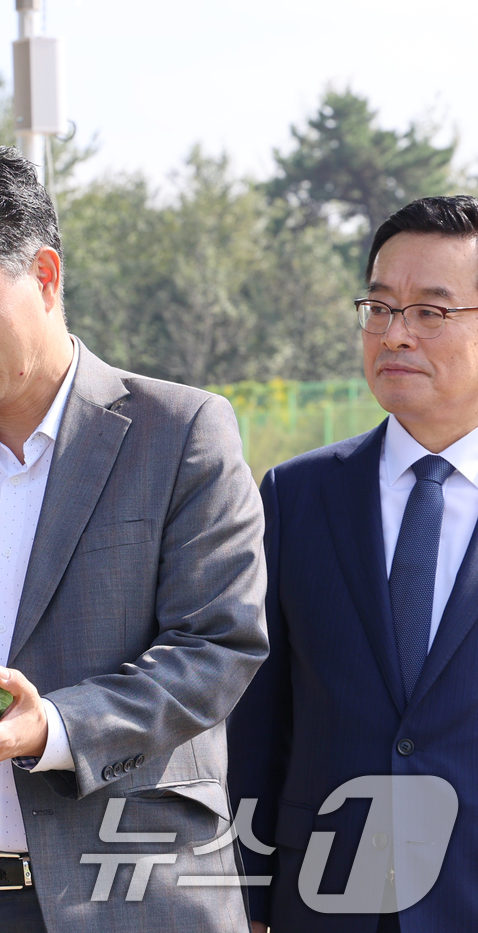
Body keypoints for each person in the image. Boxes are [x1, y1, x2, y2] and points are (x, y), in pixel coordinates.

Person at [0, 142, 268, 933]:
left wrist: (52, 728)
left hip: (133, 898)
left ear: (46, 276)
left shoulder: (181, 432)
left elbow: (215, 648)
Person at [228, 196, 478, 933]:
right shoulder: (295, 494)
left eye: (430, 312)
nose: (395, 333)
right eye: (379, 306)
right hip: (326, 899)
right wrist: (248, 896)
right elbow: (256, 719)